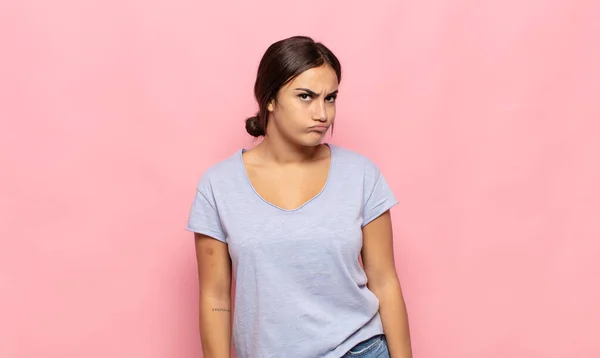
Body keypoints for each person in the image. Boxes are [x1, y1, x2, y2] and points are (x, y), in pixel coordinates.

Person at [186, 35, 412, 358]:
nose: (323, 113)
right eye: (306, 96)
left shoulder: (361, 175)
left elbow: (385, 281)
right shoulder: (219, 186)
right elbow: (215, 299)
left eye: (330, 98)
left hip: (359, 350)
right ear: (270, 99)